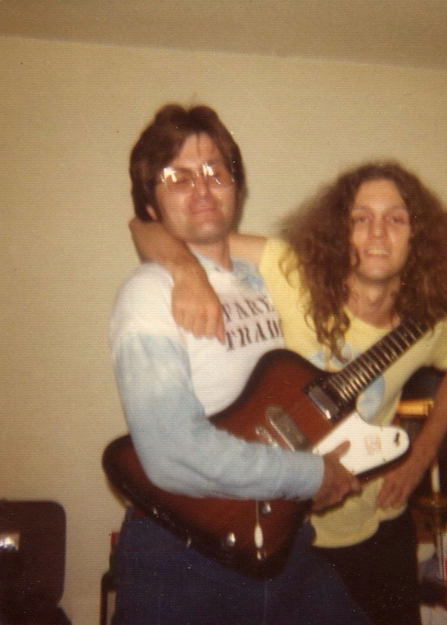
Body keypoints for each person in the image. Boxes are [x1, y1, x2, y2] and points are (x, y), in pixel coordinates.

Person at [130, 157, 447, 625]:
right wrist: (187, 271)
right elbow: (148, 228)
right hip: (289, 537)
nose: (378, 233)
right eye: (361, 219)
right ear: (339, 231)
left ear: (417, 238)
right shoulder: (291, 271)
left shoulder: (432, 325)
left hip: (377, 530)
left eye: (396, 219)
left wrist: (421, 455)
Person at [109, 104, 371, 625]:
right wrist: (310, 476)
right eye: (178, 178)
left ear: (236, 186)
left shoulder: (266, 283)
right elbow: (173, 455)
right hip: (183, 557)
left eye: (215, 171)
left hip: (281, 542)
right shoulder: (149, 294)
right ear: (151, 205)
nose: (202, 189)